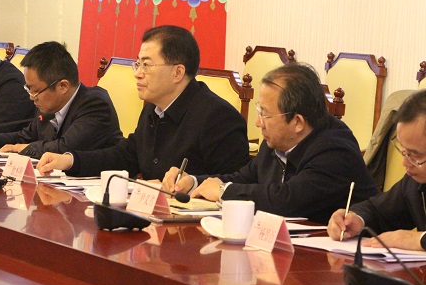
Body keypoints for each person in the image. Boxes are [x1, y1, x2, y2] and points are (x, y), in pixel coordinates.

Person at [162, 63, 378, 225]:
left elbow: (287, 200)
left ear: (297, 122)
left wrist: (223, 191)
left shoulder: (335, 150)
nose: (258, 123)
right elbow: (244, 178)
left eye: (265, 114)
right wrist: (194, 182)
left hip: (338, 261)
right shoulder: (277, 141)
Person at [37, 25, 250, 181]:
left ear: (178, 72)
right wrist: (70, 160)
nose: (137, 73)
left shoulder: (218, 118)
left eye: (146, 65)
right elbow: (126, 155)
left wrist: (186, 187)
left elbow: (233, 184)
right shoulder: (153, 109)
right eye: (137, 64)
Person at [0, 41, 123, 159]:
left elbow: (64, 147)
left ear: (63, 86)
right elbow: (23, 137)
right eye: (29, 89)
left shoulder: (95, 104)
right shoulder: (48, 105)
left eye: (35, 90)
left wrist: (21, 148)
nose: (31, 97)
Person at [328, 90, 426, 251]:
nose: (405, 163)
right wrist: (356, 220)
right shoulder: (413, 183)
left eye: (415, 155)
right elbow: (378, 211)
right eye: (403, 151)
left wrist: (418, 240)